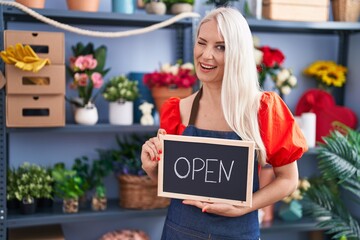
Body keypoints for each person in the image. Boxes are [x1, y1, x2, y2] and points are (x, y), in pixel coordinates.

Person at [141, 7, 308, 240]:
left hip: (238, 233)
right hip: (179, 232)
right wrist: (152, 169)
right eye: (202, 43)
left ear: (238, 53)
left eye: (221, 47)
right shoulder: (178, 110)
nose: (206, 55)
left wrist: (244, 206)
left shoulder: (262, 109)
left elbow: (288, 180)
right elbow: (176, 185)